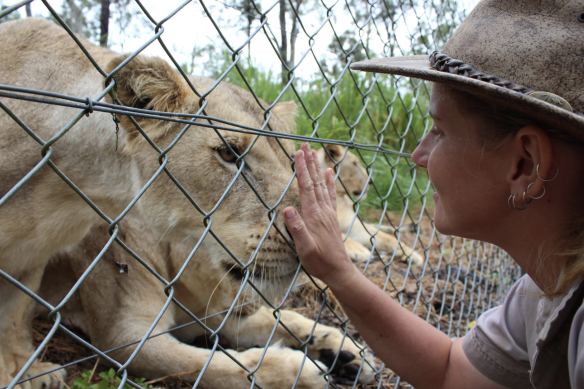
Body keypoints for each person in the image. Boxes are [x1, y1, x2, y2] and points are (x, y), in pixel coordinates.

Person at [281, 0, 584, 388]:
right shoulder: (547, 282)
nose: (417, 155)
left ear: (525, 163)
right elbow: (450, 371)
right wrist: (338, 272)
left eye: (438, 131)